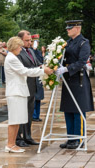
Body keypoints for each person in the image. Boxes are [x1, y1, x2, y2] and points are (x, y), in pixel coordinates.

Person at [4, 36, 53, 153]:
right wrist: (43, 71)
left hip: (19, 92)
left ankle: (12, 144)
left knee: (18, 120)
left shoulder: (13, 57)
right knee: (14, 121)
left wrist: (41, 68)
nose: (21, 49)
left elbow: (24, 71)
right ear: (15, 46)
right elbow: (25, 71)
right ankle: (10, 144)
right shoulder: (12, 58)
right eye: (20, 47)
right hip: (15, 92)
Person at [56, 20, 94, 149]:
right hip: (68, 79)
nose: (67, 30)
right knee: (68, 110)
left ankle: (79, 139)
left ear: (77, 28)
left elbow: (82, 61)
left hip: (78, 79)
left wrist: (67, 69)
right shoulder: (69, 42)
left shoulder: (84, 43)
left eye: (70, 28)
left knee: (78, 109)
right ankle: (71, 138)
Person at [16, 30, 46, 147]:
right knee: (20, 113)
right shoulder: (17, 52)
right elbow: (23, 69)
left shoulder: (31, 51)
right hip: (23, 86)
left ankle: (28, 136)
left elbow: (37, 64)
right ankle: (18, 138)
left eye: (30, 40)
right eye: (27, 40)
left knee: (29, 112)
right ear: (20, 40)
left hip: (32, 87)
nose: (30, 43)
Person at [31, 34, 44, 122]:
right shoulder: (30, 51)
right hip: (32, 76)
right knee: (33, 98)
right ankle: (33, 115)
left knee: (38, 98)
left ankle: (37, 115)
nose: (36, 43)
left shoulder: (38, 51)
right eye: (35, 41)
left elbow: (41, 61)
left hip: (38, 76)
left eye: (37, 41)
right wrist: (34, 50)